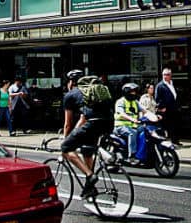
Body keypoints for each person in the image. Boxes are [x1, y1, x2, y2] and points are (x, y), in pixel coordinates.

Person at [61, 70, 113, 199]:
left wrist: (66, 139)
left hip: (93, 124)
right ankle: (89, 187)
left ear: (71, 82)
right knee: (87, 150)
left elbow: (68, 123)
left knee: (66, 148)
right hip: (108, 123)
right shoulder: (90, 91)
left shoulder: (70, 95)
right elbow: (83, 119)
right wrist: (76, 134)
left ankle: (90, 175)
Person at [114, 83, 148, 165]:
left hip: (133, 125)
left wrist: (155, 116)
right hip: (121, 126)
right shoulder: (120, 102)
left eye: (135, 92)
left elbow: (145, 110)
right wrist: (132, 119)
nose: (134, 94)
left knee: (147, 131)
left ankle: (141, 154)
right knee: (132, 133)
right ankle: (131, 156)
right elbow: (122, 113)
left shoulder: (135, 102)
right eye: (132, 92)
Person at [155, 67, 180, 145]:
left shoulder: (172, 83)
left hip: (173, 108)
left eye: (167, 75)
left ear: (170, 75)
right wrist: (161, 107)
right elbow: (157, 98)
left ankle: (175, 141)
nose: (165, 76)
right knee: (165, 126)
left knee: (175, 125)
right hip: (165, 109)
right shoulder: (160, 85)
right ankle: (163, 142)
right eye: (164, 75)